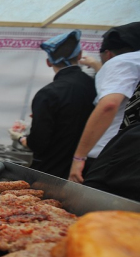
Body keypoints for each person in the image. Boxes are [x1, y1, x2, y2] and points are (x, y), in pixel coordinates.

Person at [9, 30, 96, 179]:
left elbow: (38, 143)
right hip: (85, 172)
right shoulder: (95, 86)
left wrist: (20, 138)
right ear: (80, 55)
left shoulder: (48, 93)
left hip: (51, 175)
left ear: (48, 62)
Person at [68, 21, 140, 183]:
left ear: (108, 54)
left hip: (111, 156)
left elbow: (109, 105)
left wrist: (78, 158)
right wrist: (96, 65)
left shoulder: (121, 62)